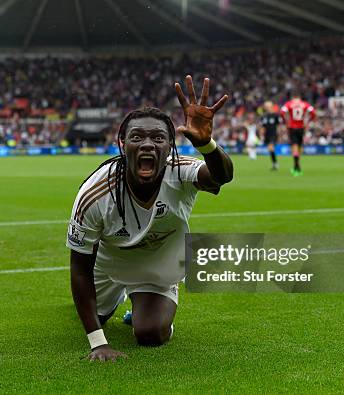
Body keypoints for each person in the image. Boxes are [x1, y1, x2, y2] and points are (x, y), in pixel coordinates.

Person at [67, 76, 233, 362]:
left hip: (159, 262)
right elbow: (80, 269)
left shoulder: (180, 171)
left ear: (170, 146)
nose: (147, 144)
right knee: (96, 318)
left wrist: (207, 145)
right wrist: (98, 342)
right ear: (122, 143)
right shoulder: (94, 194)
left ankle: (147, 304)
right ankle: (119, 297)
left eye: (158, 138)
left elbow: (222, 176)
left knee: (151, 334)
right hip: (111, 261)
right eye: (137, 137)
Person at [280, 94, 316, 176]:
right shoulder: (305, 104)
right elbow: (313, 112)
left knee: (294, 146)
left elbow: (282, 112)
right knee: (299, 146)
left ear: (293, 97)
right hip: (301, 127)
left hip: (292, 127)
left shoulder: (289, 104)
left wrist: (286, 121)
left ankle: (296, 167)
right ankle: (297, 166)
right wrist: (308, 121)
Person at [260, 101, 281, 170]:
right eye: (266, 106)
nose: (267, 107)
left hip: (273, 135)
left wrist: (279, 134)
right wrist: (262, 135)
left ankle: (275, 163)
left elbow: (279, 126)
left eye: (268, 106)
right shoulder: (263, 116)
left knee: (271, 148)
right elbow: (262, 127)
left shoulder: (276, 115)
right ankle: (274, 163)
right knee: (270, 149)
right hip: (267, 135)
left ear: (272, 106)